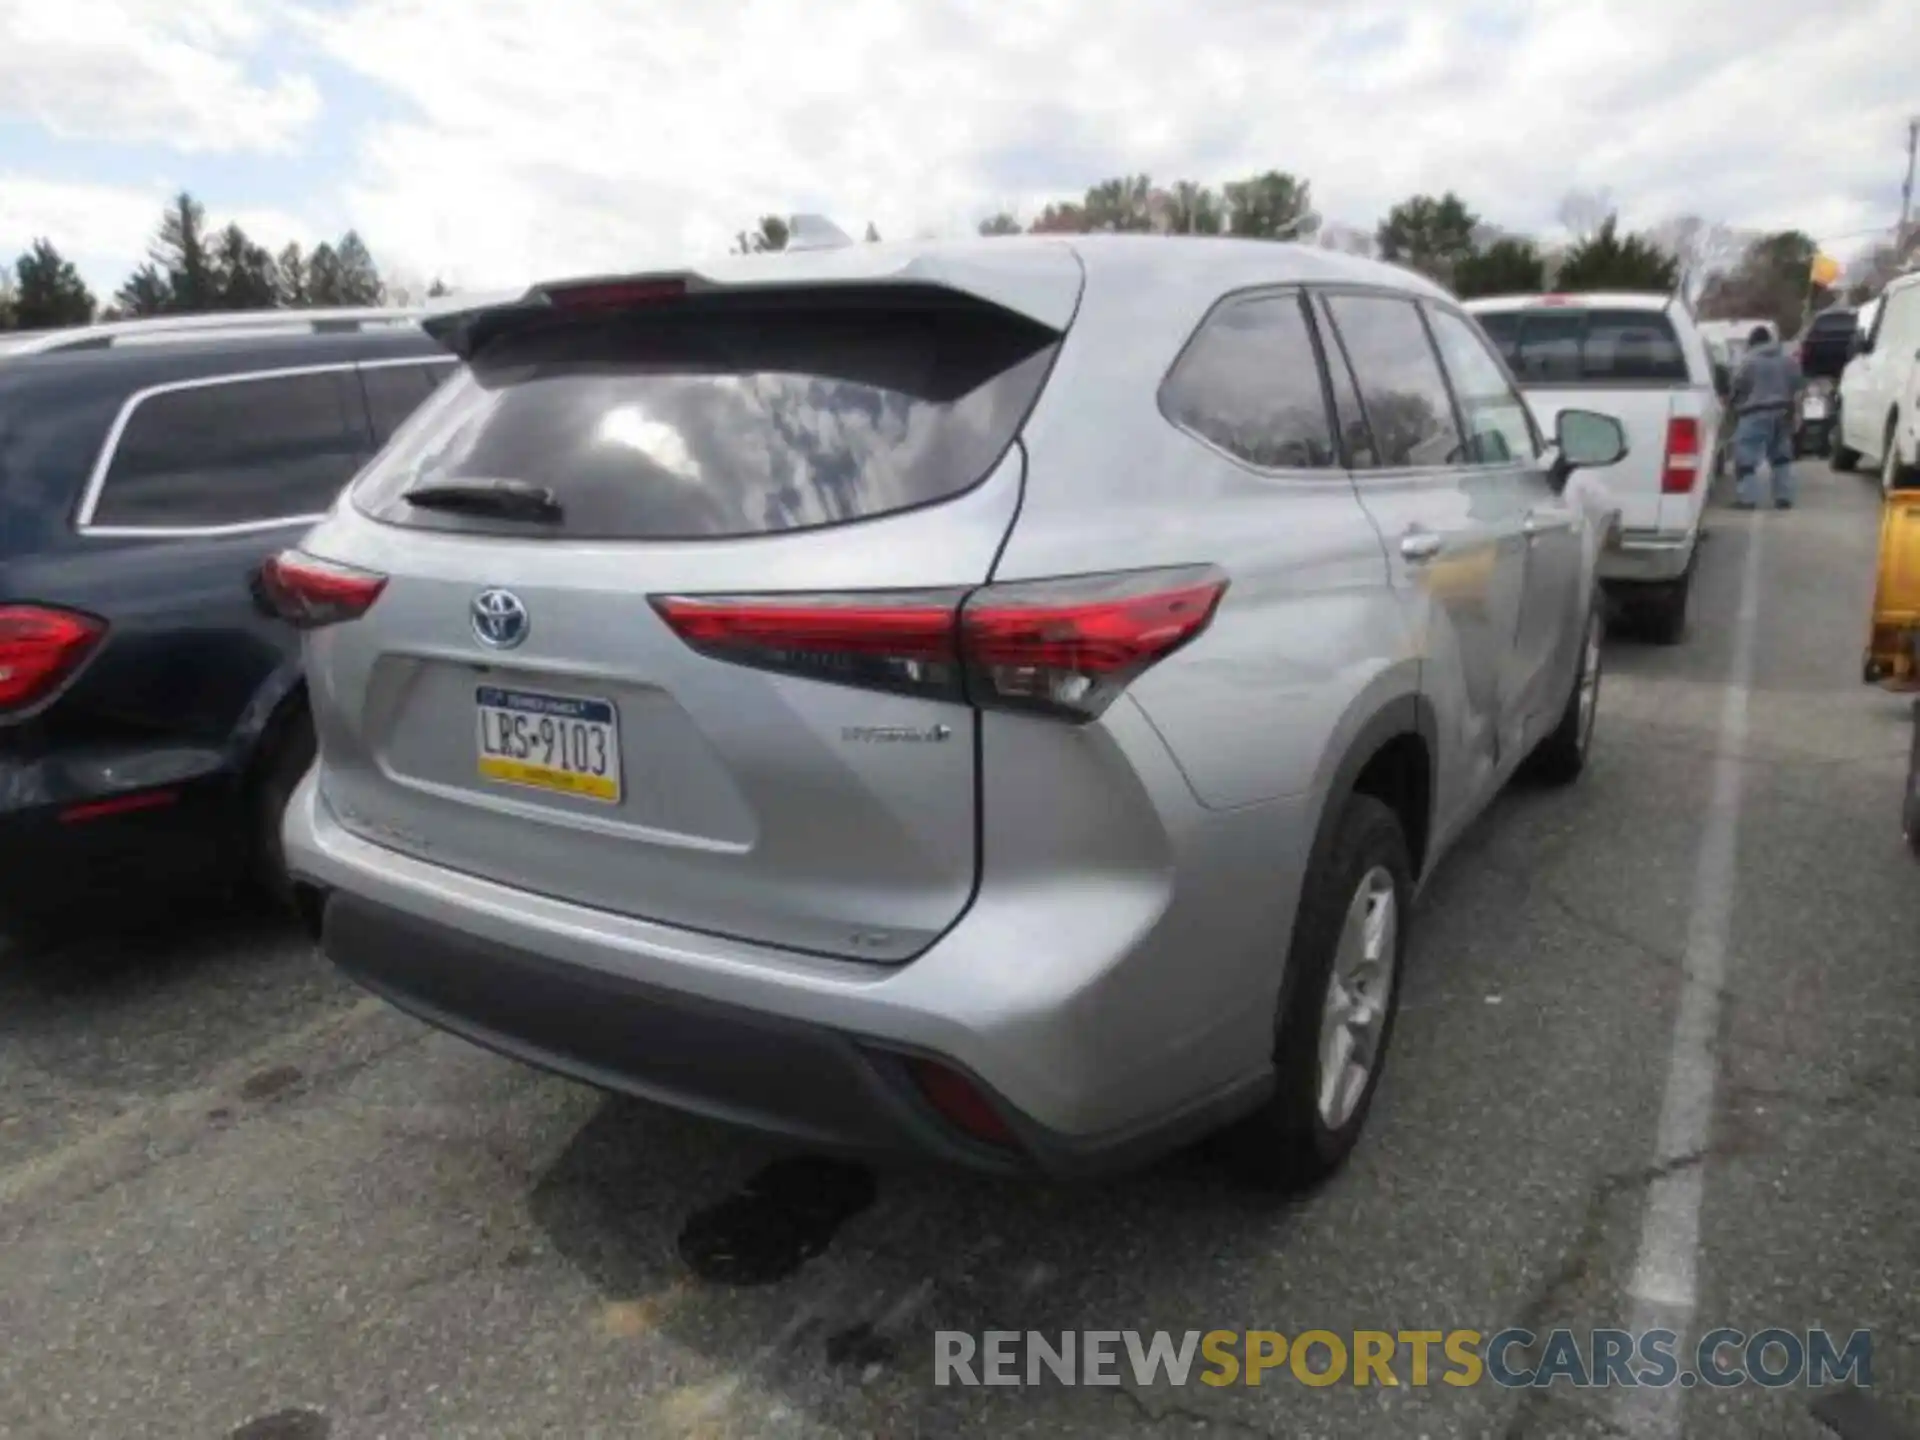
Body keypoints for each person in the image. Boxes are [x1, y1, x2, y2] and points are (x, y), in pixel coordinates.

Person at [1729, 323, 1802, 510]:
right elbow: (1797, 385)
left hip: (1755, 412)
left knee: (1746, 456)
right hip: (1783, 410)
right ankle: (1784, 497)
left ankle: (1748, 499)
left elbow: (1738, 387)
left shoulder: (1749, 361)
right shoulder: (1787, 361)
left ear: (1752, 342)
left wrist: (1735, 406)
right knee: (1781, 457)